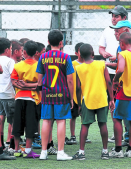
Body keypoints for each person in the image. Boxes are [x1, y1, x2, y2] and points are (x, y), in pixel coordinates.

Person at [72, 44, 115, 160]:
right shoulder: (101, 64)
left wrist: (80, 105)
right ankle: (105, 151)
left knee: (85, 125)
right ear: (93, 53)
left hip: (87, 99)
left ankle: (81, 152)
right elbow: (109, 82)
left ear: (80, 54)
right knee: (103, 124)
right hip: (102, 98)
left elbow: (78, 88)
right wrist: (111, 99)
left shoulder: (78, 68)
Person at [37, 30, 74, 161]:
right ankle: (60, 152)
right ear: (61, 42)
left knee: (46, 121)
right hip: (61, 94)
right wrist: (71, 97)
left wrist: (42, 95)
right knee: (61, 121)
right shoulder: (66, 57)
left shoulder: (42, 57)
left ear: (48, 42)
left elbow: (39, 80)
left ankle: (43, 152)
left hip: (47, 94)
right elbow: (70, 80)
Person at [98, 5, 131, 143]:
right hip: (110, 73)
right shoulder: (107, 30)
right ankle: (116, 132)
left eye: (116, 16)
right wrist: (104, 54)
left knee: (124, 103)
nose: (113, 19)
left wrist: (118, 59)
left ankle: (128, 134)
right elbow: (101, 48)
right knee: (112, 103)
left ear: (124, 18)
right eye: (112, 16)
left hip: (124, 74)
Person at [11, 40, 40, 158]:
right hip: (32, 98)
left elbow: (13, 81)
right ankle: (28, 150)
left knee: (17, 123)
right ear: (36, 53)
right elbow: (40, 84)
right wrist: (31, 86)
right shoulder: (39, 65)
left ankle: (17, 149)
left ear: (24, 52)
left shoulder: (17, 65)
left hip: (19, 98)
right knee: (30, 124)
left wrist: (21, 85)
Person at [0, 38, 15, 150]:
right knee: (11, 120)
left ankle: (0, 143)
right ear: (7, 49)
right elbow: (13, 77)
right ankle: (9, 142)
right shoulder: (10, 61)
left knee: (0, 118)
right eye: (11, 48)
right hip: (9, 95)